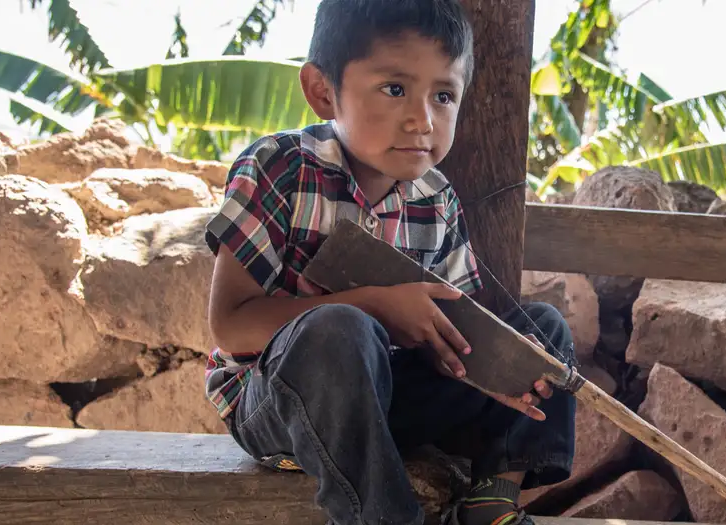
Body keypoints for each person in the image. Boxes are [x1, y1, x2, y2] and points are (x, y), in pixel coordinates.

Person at [201, 1, 577, 524]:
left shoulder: (436, 195)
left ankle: (493, 501)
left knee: (545, 331)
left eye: (443, 95)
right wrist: (373, 306)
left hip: (390, 398)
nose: (422, 119)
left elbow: (452, 331)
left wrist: (500, 363)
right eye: (395, 88)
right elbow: (229, 326)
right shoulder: (280, 168)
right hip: (280, 406)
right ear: (322, 92)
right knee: (338, 329)